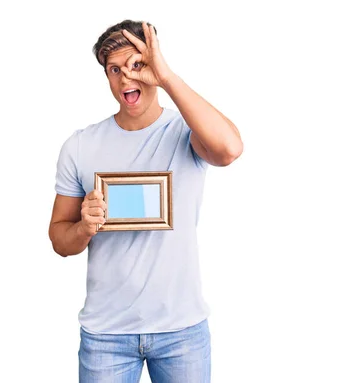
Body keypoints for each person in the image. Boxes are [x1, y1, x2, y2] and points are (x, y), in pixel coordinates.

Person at [48, 19, 243, 383]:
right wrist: (84, 227)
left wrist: (167, 78)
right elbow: (59, 240)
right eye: (114, 70)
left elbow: (230, 149)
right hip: (106, 335)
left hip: (181, 331)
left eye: (137, 65)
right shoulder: (80, 146)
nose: (125, 80)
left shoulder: (186, 131)